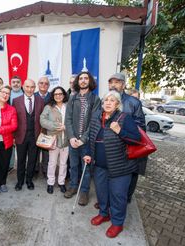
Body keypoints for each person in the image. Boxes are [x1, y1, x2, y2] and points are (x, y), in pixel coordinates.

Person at [83, 91, 140, 238]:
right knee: (102, 193)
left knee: (118, 196)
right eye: (106, 100)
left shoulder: (124, 118)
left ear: (117, 104)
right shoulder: (96, 117)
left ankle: (117, 223)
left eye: (112, 100)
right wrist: (88, 152)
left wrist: (120, 131)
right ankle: (104, 213)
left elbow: (136, 140)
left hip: (120, 167)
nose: (108, 103)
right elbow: (90, 138)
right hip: (99, 166)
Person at [108, 73, 146, 204]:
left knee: (127, 179)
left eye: (117, 82)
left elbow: (140, 128)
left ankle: (125, 200)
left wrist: (122, 131)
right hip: (110, 148)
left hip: (127, 147)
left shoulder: (133, 102)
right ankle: (107, 200)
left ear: (123, 85)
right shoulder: (105, 100)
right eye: (111, 82)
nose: (113, 85)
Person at [64, 71, 101, 206]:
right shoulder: (72, 98)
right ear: (77, 82)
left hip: (86, 141)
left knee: (86, 168)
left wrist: (83, 139)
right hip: (73, 140)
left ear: (89, 81)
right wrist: (72, 137)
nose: (83, 81)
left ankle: (84, 191)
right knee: (73, 166)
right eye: (81, 79)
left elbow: (94, 121)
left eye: (86, 78)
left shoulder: (95, 99)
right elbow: (67, 119)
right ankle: (74, 186)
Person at [12, 79, 45, 191]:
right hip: (20, 135)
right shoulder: (16, 101)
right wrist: (13, 136)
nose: (30, 89)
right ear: (23, 87)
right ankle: (20, 181)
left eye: (32, 87)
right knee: (20, 160)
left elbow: (43, 119)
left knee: (32, 160)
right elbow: (14, 119)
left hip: (35, 136)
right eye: (27, 87)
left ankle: (29, 180)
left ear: (35, 87)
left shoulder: (40, 101)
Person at [40, 86, 69, 194]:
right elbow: (42, 120)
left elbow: (72, 120)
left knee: (63, 163)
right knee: (52, 162)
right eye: (56, 94)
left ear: (64, 95)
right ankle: (50, 183)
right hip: (53, 139)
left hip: (66, 139)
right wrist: (55, 126)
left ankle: (61, 182)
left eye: (60, 94)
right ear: (53, 96)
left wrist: (66, 127)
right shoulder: (48, 107)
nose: (58, 96)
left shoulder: (68, 106)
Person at [35, 76, 51, 178]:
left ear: (49, 85)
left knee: (46, 151)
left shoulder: (52, 96)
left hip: (48, 128)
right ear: (38, 84)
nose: (43, 85)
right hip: (35, 127)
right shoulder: (33, 95)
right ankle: (35, 169)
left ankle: (45, 170)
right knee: (35, 150)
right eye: (41, 83)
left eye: (46, 83)